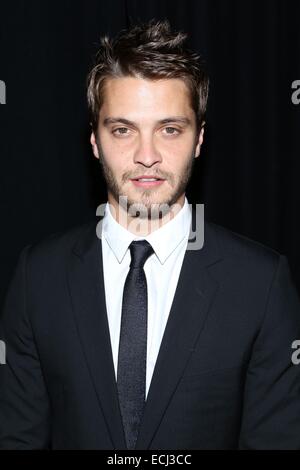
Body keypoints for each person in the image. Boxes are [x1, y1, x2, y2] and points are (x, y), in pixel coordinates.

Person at [0, 18, 300, 450]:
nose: (147, 156)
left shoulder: (261, 283)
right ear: (94, 141)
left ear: (199, 139)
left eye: (170, 129)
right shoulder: (37, 277)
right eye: (123, 129)